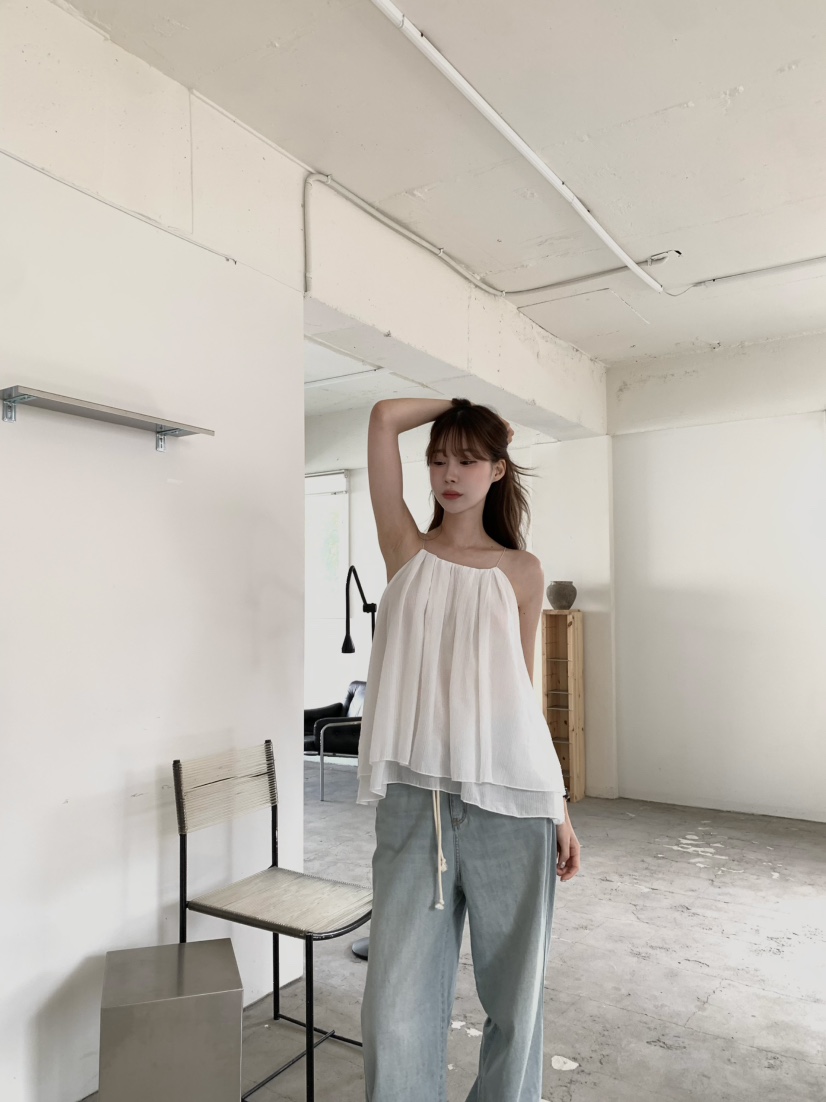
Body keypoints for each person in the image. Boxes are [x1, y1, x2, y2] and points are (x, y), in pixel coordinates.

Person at [358, 396, 581, 1102]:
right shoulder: (405, 549)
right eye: (438, 461)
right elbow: (383, 418)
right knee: (394, 1007)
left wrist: (559, 807)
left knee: (517, 1002)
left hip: (511, 806)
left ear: (497, 470)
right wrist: (463, 409)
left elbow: (522, 695)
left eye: (467, 459)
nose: (449, 474)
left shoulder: (522, 571)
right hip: (413, 804)